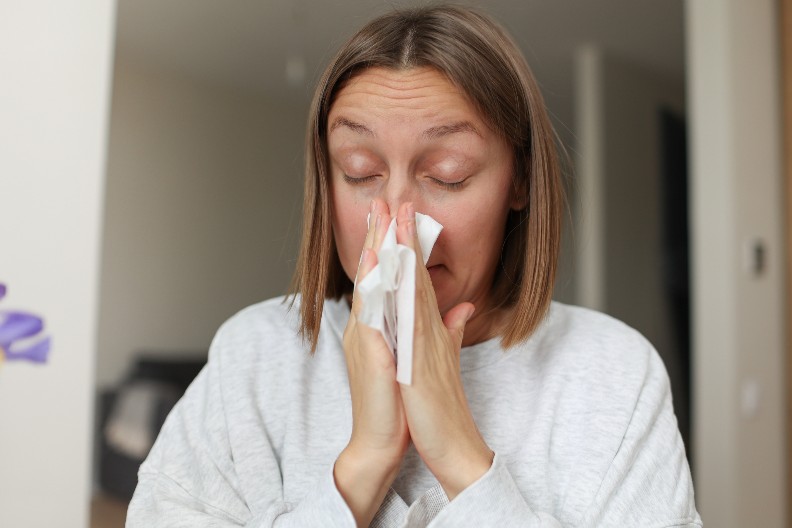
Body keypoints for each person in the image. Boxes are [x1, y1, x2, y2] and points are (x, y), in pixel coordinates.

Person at [127, 5, 701, 527]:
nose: (400, 219)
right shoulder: (255, 355)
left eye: (448, 175)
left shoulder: (611, 373)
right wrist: (363, 465)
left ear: (519, 180)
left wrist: (458, 454)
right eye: (359, 171)